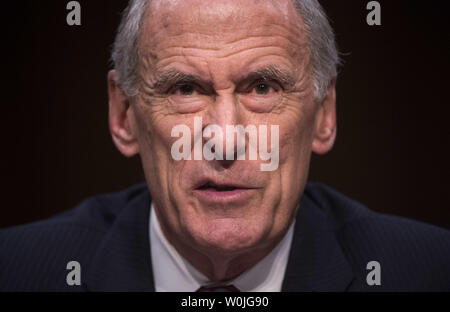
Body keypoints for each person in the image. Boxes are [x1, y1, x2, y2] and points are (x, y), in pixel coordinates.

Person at [1, 0, 449, 292]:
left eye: (262, 86)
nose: (225, 138)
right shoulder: (19, 273)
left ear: (324, 114)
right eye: (185, 89)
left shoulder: (427, 272)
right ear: (123, 116)